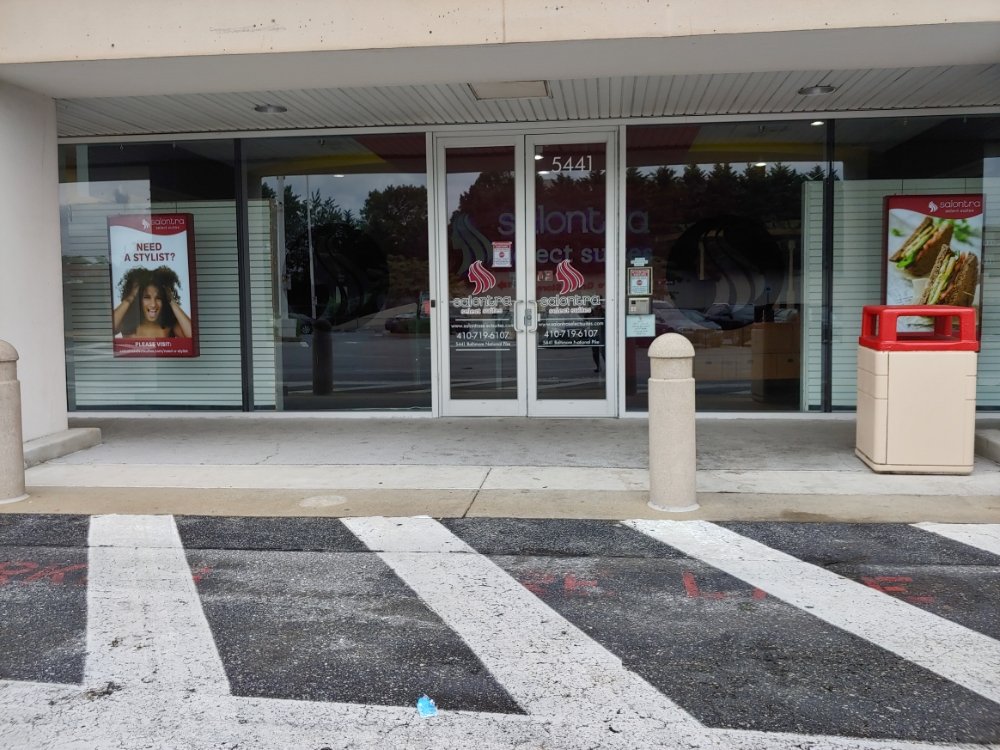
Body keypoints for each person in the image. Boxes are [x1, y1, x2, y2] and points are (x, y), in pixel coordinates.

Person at [112, 266, 193, 339]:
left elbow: (192, 335)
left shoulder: (170, 325)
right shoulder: (127, 322)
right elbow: (109, 329)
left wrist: (171, 300)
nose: (153, 304)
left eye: (158, 298)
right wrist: (129, 298)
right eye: (147, 297)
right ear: (138, 299)